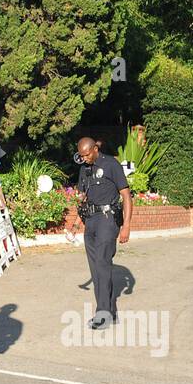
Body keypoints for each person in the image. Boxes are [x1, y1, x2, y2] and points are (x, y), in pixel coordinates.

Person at [70, 136, 132, 330]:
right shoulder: (84, 169)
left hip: (107, 220)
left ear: (95, 149)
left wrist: (127, 225)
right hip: (91, 222)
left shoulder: (111, 164)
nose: (84, 158)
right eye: (81, 156)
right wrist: (76, 223)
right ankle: (110, 314)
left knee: (103, 265)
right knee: (96, 268)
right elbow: (84, 198)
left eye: (87, 155)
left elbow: (126, 196)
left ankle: (103, 313)